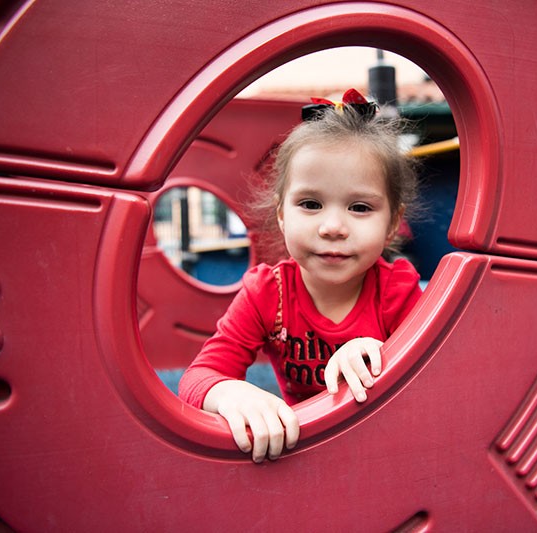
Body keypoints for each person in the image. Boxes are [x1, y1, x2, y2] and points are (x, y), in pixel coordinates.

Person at [178, 89, 422, 463]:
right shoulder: (267, 293)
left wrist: (385, 355)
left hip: (384, 448)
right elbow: (198, 377)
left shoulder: (397, 291)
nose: (332, 227)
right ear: (281, 214)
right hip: (302, 451)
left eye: (359, 207)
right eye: (310, 204)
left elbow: (441, 377)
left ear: (391, 223)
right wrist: (228, 392)